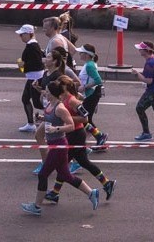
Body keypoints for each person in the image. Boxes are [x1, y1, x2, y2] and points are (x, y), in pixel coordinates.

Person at [20, 83, 100, 216]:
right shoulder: (50, 105)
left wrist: (56, 129)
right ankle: (92, 193)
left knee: (43, 174)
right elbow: (51, 118)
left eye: (46, 91)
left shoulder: (60, 108)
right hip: (54, 144)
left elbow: (70, 126)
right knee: (65, 175)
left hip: (59, 146)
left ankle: (36, 206)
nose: (44, 92)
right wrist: (41, 118)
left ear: (52, 92)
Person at [74, 43, 108, 147]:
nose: (79, 54)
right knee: (86, 118)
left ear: (87, 54)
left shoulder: (89, 65)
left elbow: (98, 80)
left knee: (83, 118)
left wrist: (84, 87)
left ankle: (100, 136)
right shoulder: (89, 64)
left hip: (92, 95)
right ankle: (94, 137)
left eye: (81, 53)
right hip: (90, 95)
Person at [16, 24, 45, 132]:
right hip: (33, 77)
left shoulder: (32, 46)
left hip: (35, 78)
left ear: (29, 34)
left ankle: (55, 117)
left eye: (22, 34)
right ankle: (30, 123)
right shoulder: (32, 44)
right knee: (25, 99)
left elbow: (37, 63)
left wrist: (23, 66)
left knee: (38, 103)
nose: (20, 37)